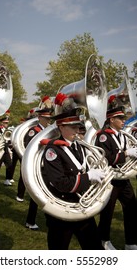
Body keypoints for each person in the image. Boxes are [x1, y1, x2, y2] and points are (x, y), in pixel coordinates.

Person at [42, 92, 105, 250]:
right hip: (62, 210)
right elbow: (60, 183)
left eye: (78, 126)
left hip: (82, 207)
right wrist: (88, 177)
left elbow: (85, 167)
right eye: (73, 127)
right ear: (61, 126)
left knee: (95, 249)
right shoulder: (53, 150)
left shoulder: (80, 146)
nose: (77, 130)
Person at [95, 101, 137, 250]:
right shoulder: (103, 136)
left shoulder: (123, 136)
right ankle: (103, 240)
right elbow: (106, 158)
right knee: (108, 212)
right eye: (120, 118)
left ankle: (131, 242)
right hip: (111, 179)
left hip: (123, 179)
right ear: (111, 119)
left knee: (132, 208)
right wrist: (126, 154)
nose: (124, 120)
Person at [23, 96, 53, 230]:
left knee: (50, 193)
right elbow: (27, 147)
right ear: (40, 117)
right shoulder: (33, 131)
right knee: (36, 196)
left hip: (47, 166)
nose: (48, 121)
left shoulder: (49, 131)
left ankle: (50, 219)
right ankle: (30, 221)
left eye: (49, 119)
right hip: (37, 166)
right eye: (46, 119)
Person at [0, 111, 12, 187]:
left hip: (5, 149)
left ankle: (7, 179)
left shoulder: (7, 130)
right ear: (1, 123)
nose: (6, 124)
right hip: (0, 149)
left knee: (9, 164)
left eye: (7, 123)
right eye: (5, 123)